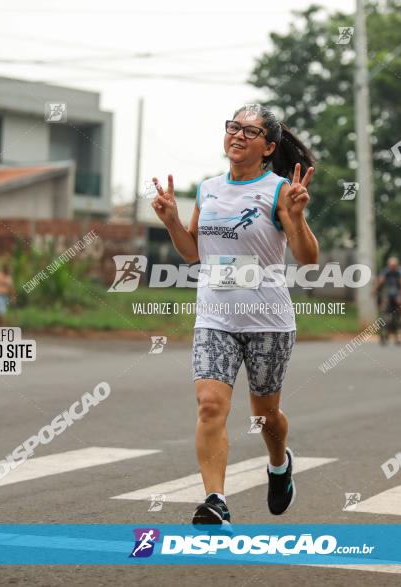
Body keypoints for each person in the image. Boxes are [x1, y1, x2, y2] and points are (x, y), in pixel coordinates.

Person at [151, 105, 318, 527]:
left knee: (265, 415)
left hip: (267, 320)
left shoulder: (280, 190)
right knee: (210, 405)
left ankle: (279, 464)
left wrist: (296, 219)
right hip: (215, 317)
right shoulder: (208, 190)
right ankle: (215, 501)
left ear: (268, 147)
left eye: (250, 131)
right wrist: (172, 221)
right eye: (233, 127)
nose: (238, 136)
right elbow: (192, 253)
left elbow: (308, 258)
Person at [373, 256, 401, 345]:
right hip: (389, 295)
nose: (392, 267)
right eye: (390, 265)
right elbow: (380, 281)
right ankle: (385, 330)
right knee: (384, 309)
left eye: (394, 265)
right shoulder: (386, 271)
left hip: (398, 294)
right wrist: (374, 289)